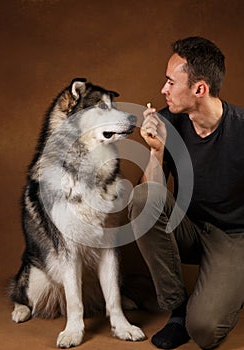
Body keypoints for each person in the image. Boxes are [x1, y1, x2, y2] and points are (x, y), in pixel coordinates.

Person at [128, 36, 244, 349]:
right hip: (186, 228)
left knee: (204, 331)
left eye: (170, 82)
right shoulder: (168, 122)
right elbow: (149, 199)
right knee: (141, 199)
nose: (163, 90)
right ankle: (178, 309)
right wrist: (156, 151)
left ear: (199, 89)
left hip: (233, 239)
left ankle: (226, 288)